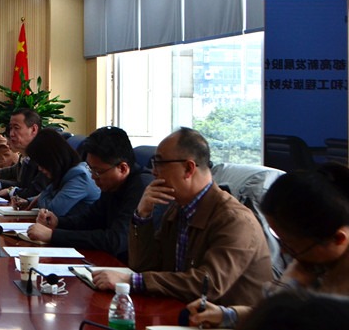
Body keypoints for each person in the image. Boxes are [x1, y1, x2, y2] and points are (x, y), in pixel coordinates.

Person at [92, 128, 272, 307]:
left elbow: (209, 285)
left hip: (227, 319)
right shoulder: (178, 209)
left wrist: (132, 281)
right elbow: (144, 266)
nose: (153, 172)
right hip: (182, 312)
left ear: (188, 168)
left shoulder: (234, 220)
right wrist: (142, 215)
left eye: (159, 163)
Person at [186, 162, 349, 328]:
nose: (283, 251)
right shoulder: (313, 262)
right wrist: (227, 315)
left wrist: (292, 292)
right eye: (279, 239)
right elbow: (273, 313)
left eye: (292, 246)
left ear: (338, 239)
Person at [27, 126, 152, 261]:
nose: (93, 177)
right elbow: (89, 219)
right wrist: (58, 222)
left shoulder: (141, 187)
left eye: (98, 172)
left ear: (122, 168)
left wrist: (53, 235)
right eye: (91, 169)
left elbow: (115, 240)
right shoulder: (111, 184)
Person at [17, 128, 100, 216]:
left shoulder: (79, 176)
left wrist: (40, 197)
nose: (40, 169)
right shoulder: (67, 173)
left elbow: (53, 210)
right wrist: (28, 201)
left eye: (41, 163)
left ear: (52, 159)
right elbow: (54, 195)